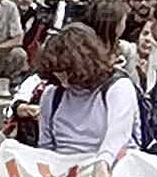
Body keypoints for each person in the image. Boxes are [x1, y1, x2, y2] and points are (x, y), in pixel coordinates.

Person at [23, 22, 142, 161]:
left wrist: (103, 162)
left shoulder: (118, 87)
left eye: (67, 70)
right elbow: (46, 147)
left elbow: (118, 136)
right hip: (64, 170)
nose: (63, 79)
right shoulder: (52, 95)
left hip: (112, 164)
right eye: (57, 72)